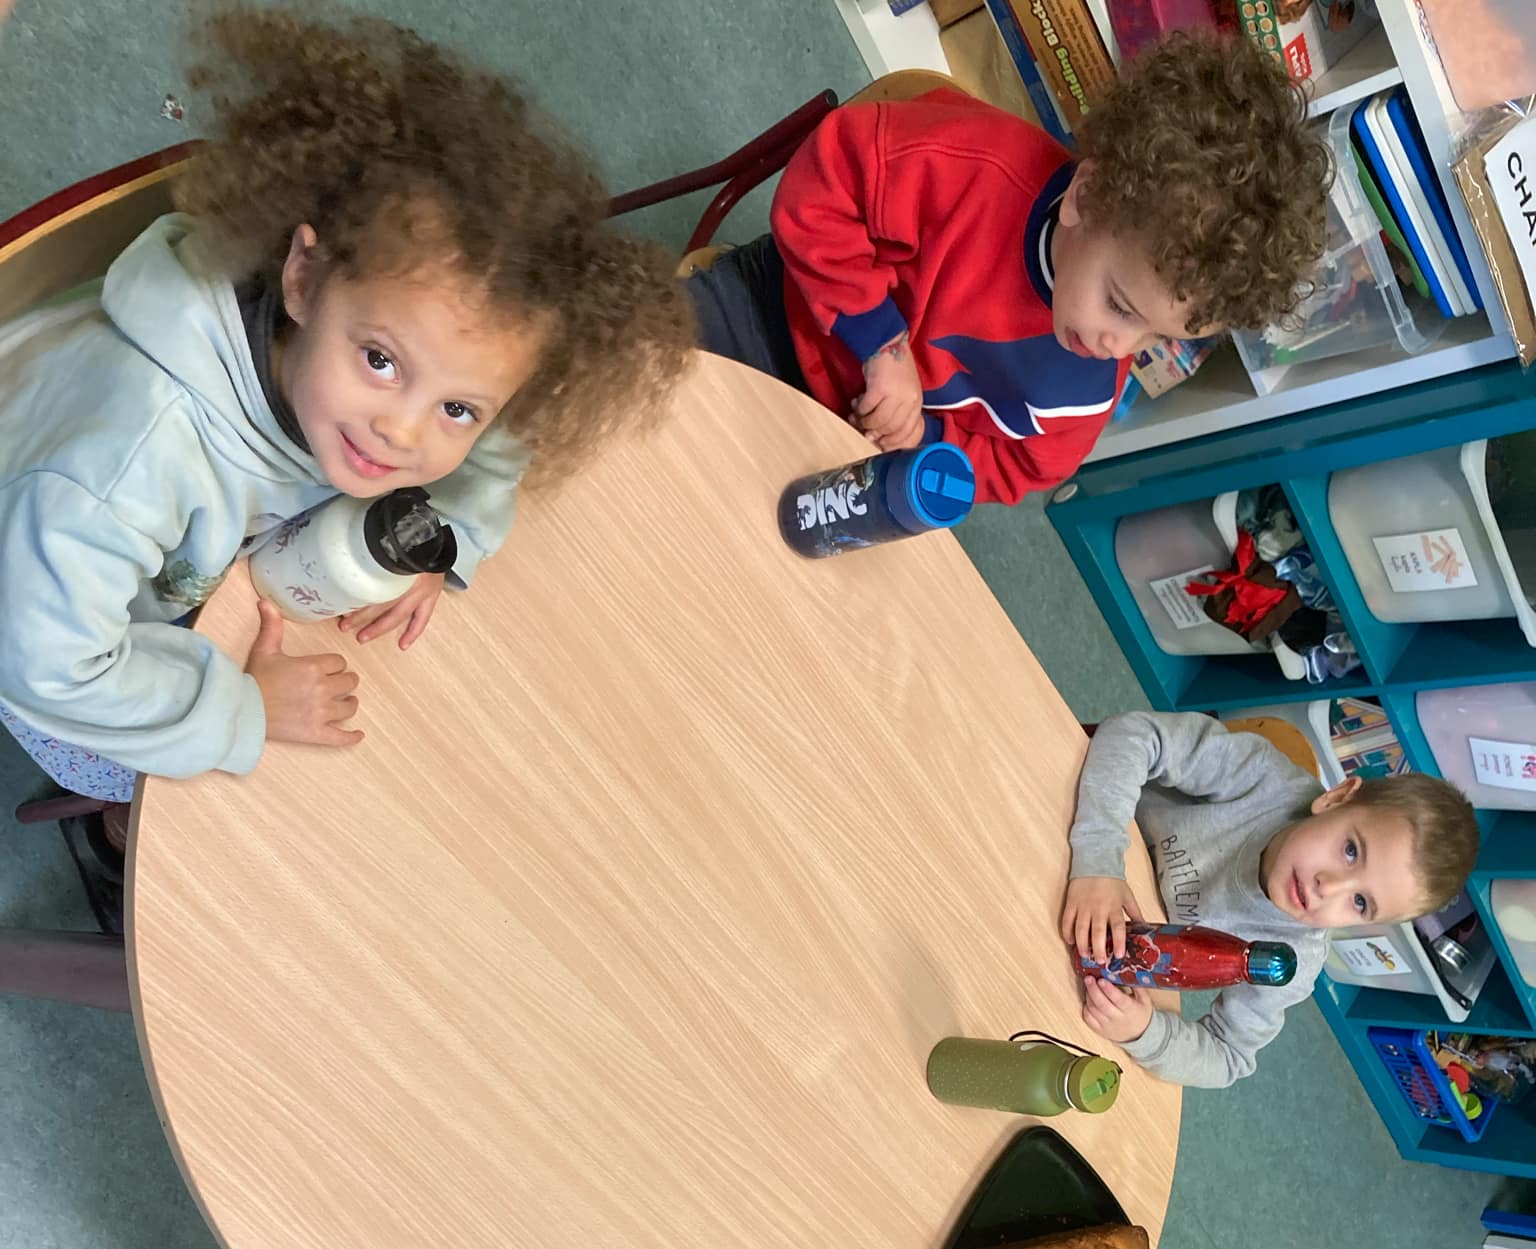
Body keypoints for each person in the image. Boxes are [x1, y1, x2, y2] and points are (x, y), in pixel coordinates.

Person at [0, 7, 689, 922]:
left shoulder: (381, 370)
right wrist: (241, 709)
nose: (402, 433)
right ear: (304, 278)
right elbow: (46, 666)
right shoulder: (127, 464)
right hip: (36, 622)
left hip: (133, 568)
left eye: (455, 407)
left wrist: (446, 539)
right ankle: (118, 832)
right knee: (234, 800)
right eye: (381, 361)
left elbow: (504, 435)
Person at [686, 32, 1331, 504]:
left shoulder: (1088, 385)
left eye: (1154, 338)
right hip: (780, 317)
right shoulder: (977, 167)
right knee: (645, 388)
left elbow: (1019, 468)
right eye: (1120, 306)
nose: (1118, 348)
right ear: (1086, 197)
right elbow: (822, 188)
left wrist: (922, 437)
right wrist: (882, 344)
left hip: (861, 449)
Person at [1062, 710, 1480, 1087]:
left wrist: (1145, 1032)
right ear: (1336, 799)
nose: (1329, 887)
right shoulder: (1262, 780)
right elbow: (1135, 734)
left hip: (1100, 950)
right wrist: (1099, 859)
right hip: (1075, 827)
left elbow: (1228, 1055)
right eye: (1351, 851)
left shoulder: (1292, 959)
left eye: (1360, 903)